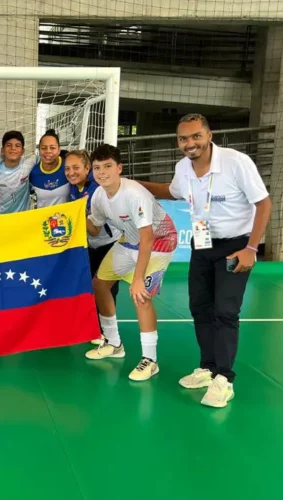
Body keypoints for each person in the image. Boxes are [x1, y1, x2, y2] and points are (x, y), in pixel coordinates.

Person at [138, 113, 271, 408]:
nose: (190, 143)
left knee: (225, 310)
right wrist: (132, 183)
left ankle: (224, 378)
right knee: (200, 307)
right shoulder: (183, 169)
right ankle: (208, 367)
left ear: (209, 135)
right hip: (202, 243)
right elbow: (170, 192)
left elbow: (263, 203)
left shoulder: (236, 162)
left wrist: (251, 248)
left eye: (196, 136)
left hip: (236, 245)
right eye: (184, 138)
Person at [84, 144, 178, 382]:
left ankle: (150, 360)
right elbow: (94, 230)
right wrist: (74, 216)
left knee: (141, 295)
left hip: (159, 242)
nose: (102, 172)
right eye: (97, 168)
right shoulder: (98, 196)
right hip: (130, 241)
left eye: (108, 166)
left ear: (119, 168)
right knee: (99, 284)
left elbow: (147, 239)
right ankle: (114, 344)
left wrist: (137, 280)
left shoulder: (134, 194)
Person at [64, 149, 120, 343]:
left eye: (76, 168)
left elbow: (95, 229)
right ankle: (95, 328)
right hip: (91, 245)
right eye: (67, 168)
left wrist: (75, 212)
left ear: (87, 168)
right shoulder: (74, 188)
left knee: (106, 288)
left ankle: (108, 335)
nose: (71, 172)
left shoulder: (97, 189)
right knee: (90, 285)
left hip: (110, 244)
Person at [0, 131, 36, 215]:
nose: (13, 148)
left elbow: (47, 157)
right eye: (9, 145)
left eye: (17, 146)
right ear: (2, 150)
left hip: (22, 217)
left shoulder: (29, 163)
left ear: (22, 151)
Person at [29, 129, 70, 209]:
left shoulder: (68, 167)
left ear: (59, 150)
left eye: (52, 148)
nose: (48, 151)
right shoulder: (33, 173)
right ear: (39, 151)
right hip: (44, 220)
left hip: (67, 219)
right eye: (44, 148)